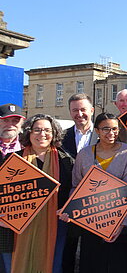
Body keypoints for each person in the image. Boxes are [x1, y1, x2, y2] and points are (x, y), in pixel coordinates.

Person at [70, 113, 127, 273]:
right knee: (92, 264)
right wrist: (72, 210)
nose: (111, 133)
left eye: (114, 129)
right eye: (106, 129)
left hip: (119, 224)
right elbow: (75, 186)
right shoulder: (84, 154)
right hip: (90, 221)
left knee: (118, 265)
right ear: (97, 131)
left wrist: (120, 225)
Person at [5, 114, 73, 273]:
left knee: (53, 265)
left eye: (47, 130)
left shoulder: (66, 161)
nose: (42, 134)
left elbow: (72, 190)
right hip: (18, 224)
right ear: (28, 133)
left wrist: (69, 209)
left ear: (54, 133)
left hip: (55, 224)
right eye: (37, 130)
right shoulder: (12, 159)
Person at [61, 93, 98, 273]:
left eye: (83, 109)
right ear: (70, 112)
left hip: (96, 201)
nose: (79, 114)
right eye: (75, 110)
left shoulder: (104, 134)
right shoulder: (60, 137)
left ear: (91, 110)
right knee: (68, 248)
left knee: (92, 250)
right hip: (69, 199)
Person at [0, 104, 25, 273]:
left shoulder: (29, 148)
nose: (11, 124)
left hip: (17, 224)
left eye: (15, 120)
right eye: (5, 120)